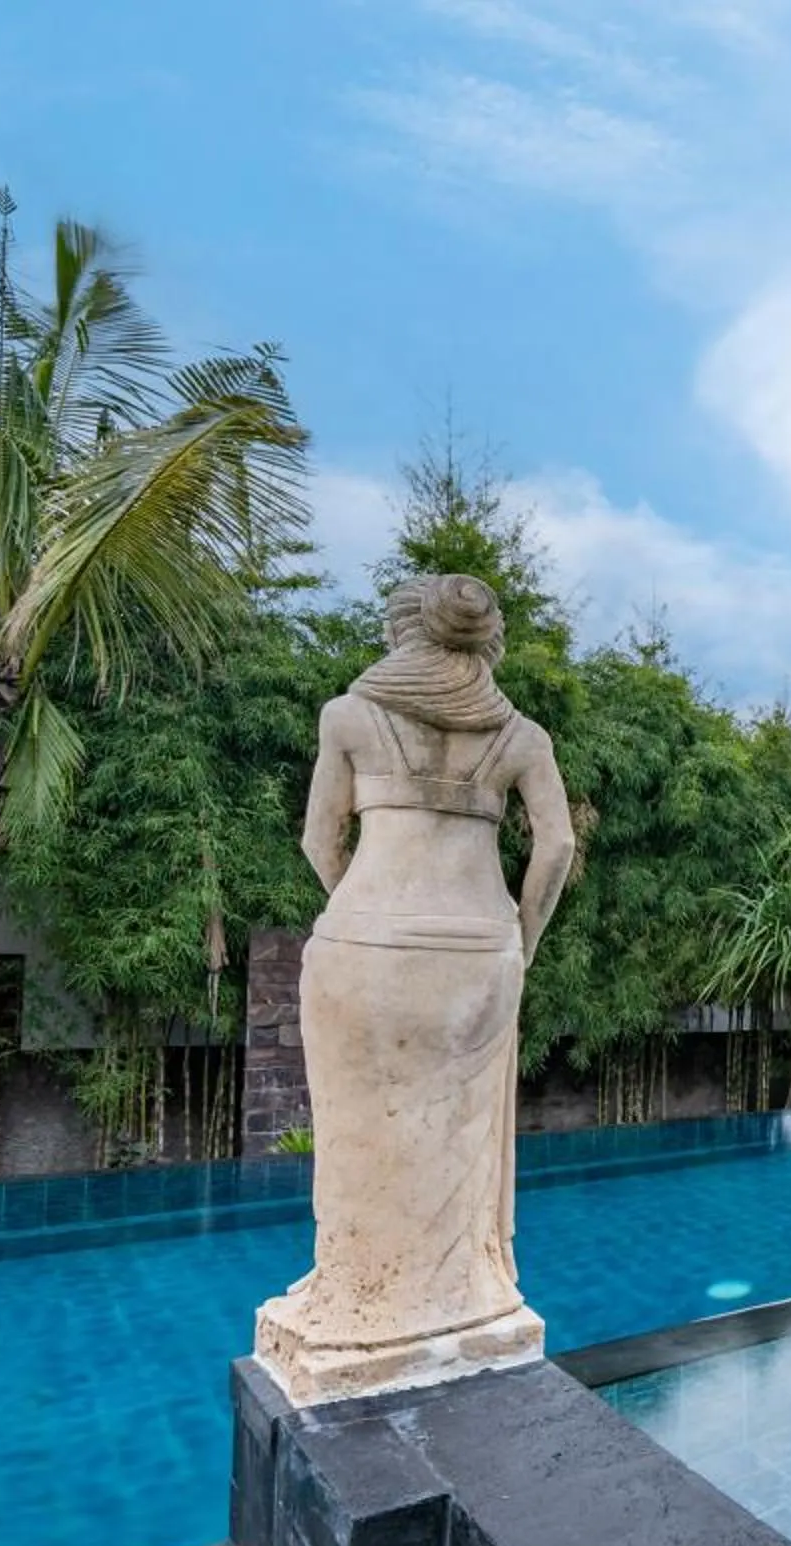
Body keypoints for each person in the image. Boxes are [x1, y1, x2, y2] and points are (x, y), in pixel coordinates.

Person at [256, 574, 574, 1397]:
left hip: (367, 936)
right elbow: (557, 848)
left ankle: (356, 1287)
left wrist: (360, 912)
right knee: (461, 1132)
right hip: (480, 945)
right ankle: (459, 1292)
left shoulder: (351, 715)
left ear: (403, 631)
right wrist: (521, 936)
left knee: (358, 1125)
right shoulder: (520, 735)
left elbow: (318, 837)